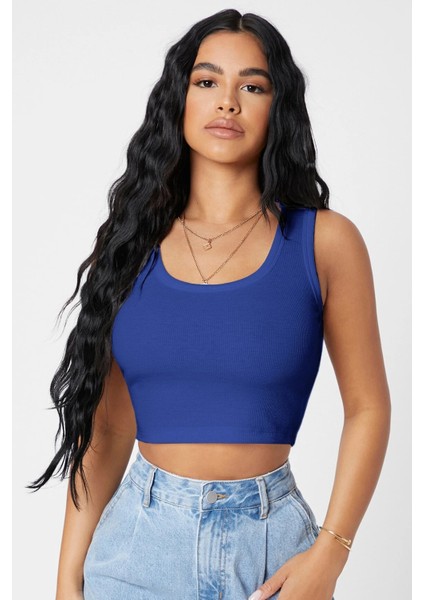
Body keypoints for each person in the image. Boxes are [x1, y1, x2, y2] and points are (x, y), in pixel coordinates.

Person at [27, 8, 391, 600]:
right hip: (136, 551)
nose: (227, 102)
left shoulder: (324, 242)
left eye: (253, 86)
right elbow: (110, 426)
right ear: (180, 98)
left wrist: (331, 553)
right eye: (206, 81)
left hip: (271, 551)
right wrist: (68, 579)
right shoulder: (129, 244)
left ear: (279, 108)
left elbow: (368, 407)